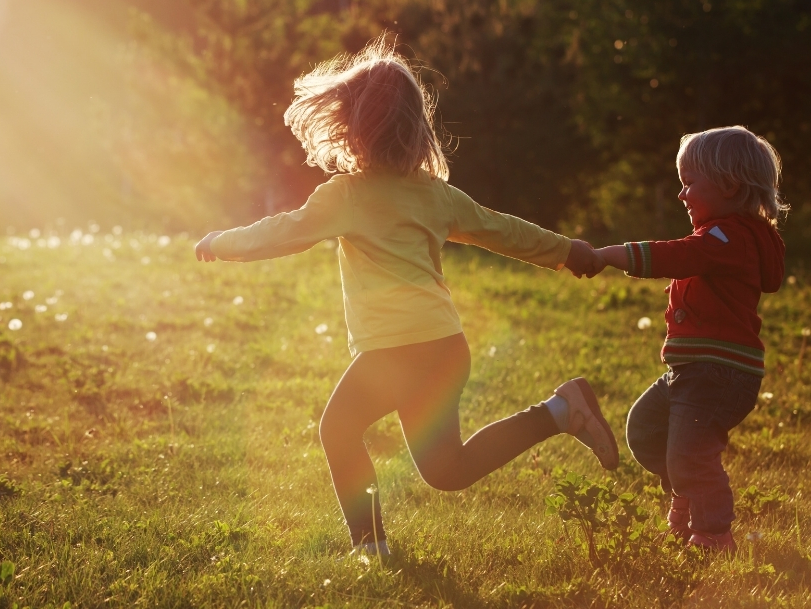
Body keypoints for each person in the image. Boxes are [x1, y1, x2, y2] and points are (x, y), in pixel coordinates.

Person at [193, 38, 616, 558]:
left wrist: (218, 242)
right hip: (443, 348)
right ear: (416, 126)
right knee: (448, 470)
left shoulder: (346, 195)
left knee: (338, 430)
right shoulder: (434, 196)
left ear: (351, 127)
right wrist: (569, 251)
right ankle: (559, 411)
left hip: (398, 351)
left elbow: (281, 233)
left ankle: (371, 548)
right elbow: (502, 230)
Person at [592, 126, 786, 552]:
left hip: (716, 374)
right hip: (696, 371)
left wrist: (609, 255)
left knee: (690, 454)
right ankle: (687, 491)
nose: (681, 195)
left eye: (688, 184)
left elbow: (677, 254)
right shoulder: (727, 238)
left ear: (729, 186)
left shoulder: (728, 236)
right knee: (644, 429)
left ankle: (714, 534)